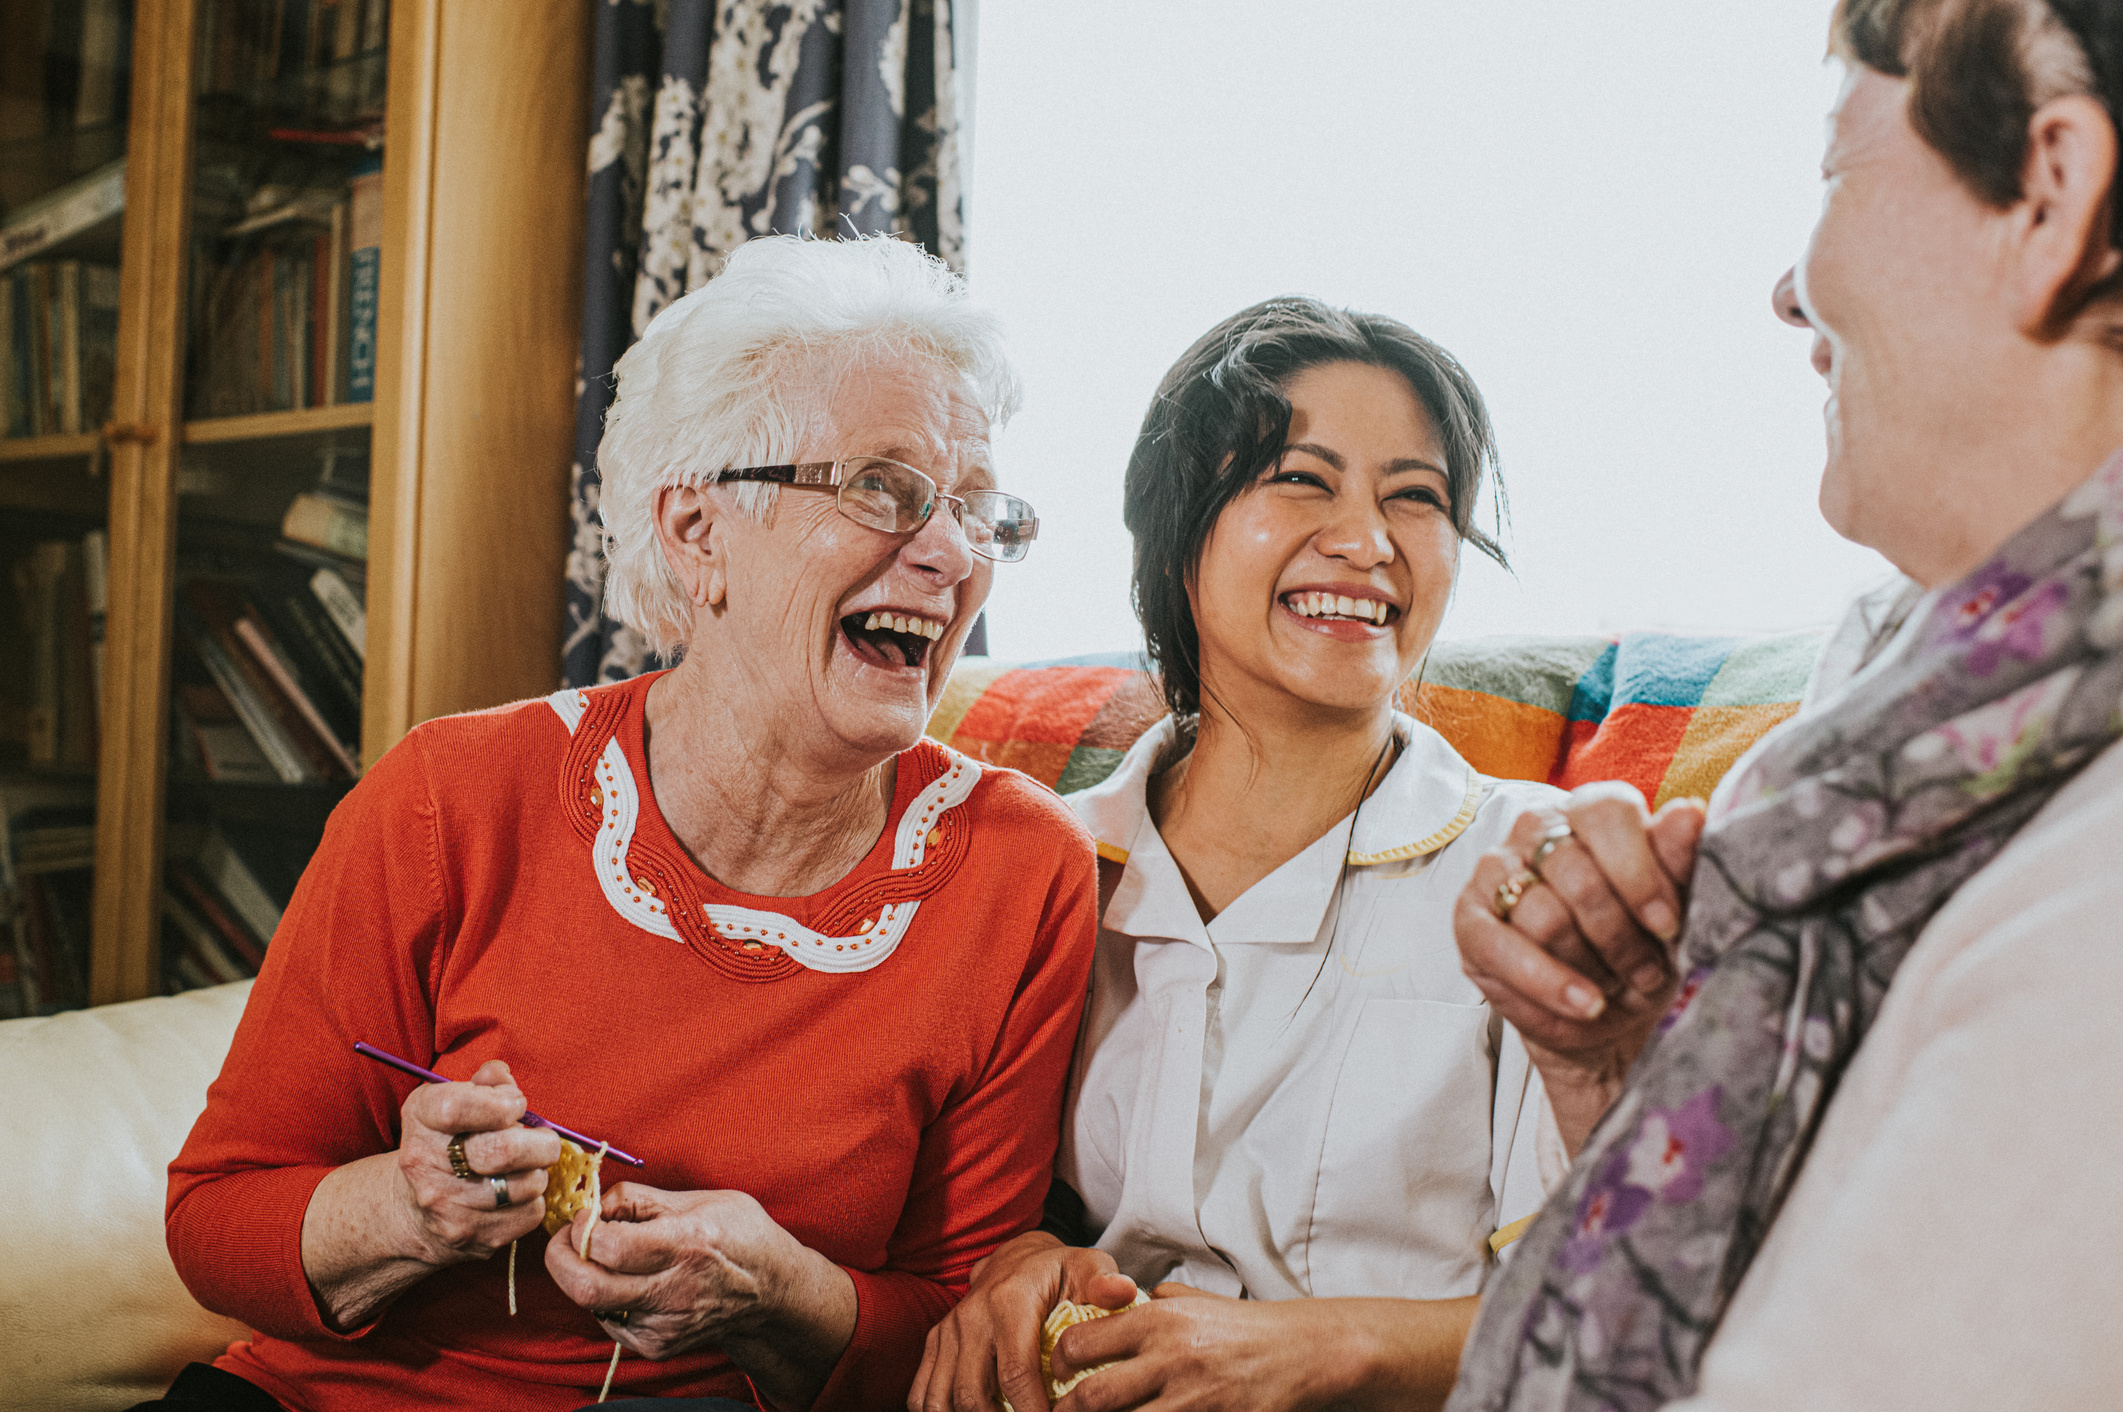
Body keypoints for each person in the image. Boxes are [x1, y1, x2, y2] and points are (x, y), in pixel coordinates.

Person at [153, 236, 1098, 1412]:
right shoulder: (449, 795)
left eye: (974, 510)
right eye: (882, 487)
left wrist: (781, 1290)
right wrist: (406, 1207)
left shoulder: (1022, 870)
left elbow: (956, 1332)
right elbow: (215, 1219)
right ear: (697, 531)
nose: (953, 553)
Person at [1448, 2, 2123, 1409]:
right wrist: (1649, 1077)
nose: (1785, 292)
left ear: (2048, 198)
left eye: (1834, 169)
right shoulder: (1912, 695)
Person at [911, 298, 1570, 1412]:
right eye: (1301, 479)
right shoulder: (1042, 866)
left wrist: (1319, 1352)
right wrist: (1019, 1261)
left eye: (1415, 496)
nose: (1366, 541)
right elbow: (970, 1215)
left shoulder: (1534, 868)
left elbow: (1600, 1308)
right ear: (1177, 531)